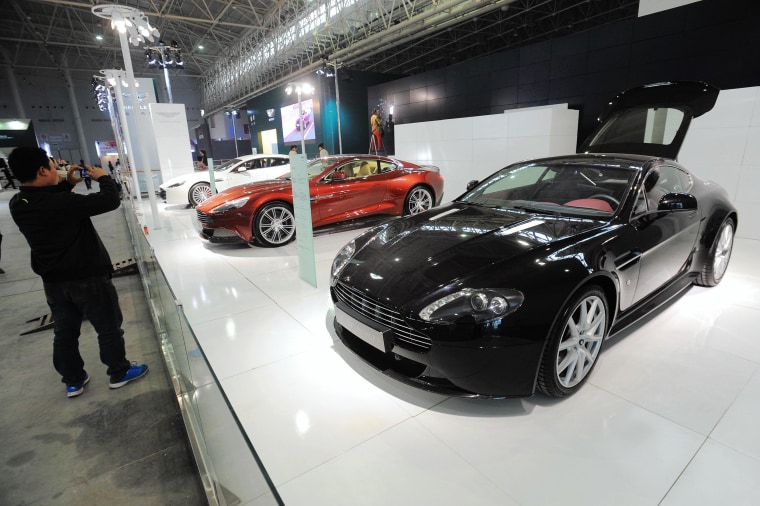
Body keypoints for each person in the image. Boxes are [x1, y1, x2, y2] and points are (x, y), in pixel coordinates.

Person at [7, 147, 148, 398]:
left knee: (65, 331)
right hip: (88, 278)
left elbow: (50, 204)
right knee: (108, 327)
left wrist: (68, 183)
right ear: (42, 170)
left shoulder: (19, 203)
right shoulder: (63, 203)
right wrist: (103, 178)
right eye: (52, 166)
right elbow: (110, 199)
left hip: (54, 283)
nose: (55, 170)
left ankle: (73, 380)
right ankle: (118, 372)